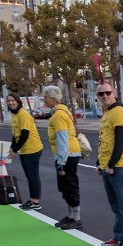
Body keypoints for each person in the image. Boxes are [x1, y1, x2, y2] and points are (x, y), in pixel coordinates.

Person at [94, 80, 123, 246]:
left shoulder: (118, 111)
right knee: (116, 206)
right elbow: (105, 139)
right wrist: (100, 162)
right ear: (97, 96)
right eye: (101, 94)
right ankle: (120, 236)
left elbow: (121, 140)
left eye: (108, 93)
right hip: (108, 167)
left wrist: (112, 164)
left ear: (114, 93)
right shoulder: (107, 113)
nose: (105, 96)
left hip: (118, 167)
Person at [42, 85, 83, 230]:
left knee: (70, 185)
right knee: (65, 187)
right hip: (67, 154)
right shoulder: (61, 112)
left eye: (45, 97)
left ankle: (76, 217)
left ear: (53, 99)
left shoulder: (58, 115)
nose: (44, 100)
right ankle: (70, 215)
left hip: (67, 155)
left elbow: (62, 139)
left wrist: (60, 162)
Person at [5, 94, 44, 210]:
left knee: (33, 176)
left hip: (33, 149)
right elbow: (15, 134)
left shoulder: (23, 114)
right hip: (25, 150)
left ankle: (36, 201)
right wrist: (12, 147)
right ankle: (32, 199)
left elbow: (25, 134)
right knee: (29, 176)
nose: (11, 103)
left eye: (13, 100)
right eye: (8, 101)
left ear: (18, 102)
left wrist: (15, 149)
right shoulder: (14, 114)